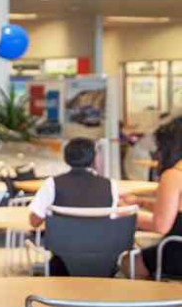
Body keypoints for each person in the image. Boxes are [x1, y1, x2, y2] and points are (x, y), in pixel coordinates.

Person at [28, 137, 119, 275]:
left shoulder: (52, 183)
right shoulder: (110, 185)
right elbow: (111, 219)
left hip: (62, 260)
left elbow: (34, 221)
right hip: (102, 261)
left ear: (66, 158)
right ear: (94, 158)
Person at [125, 117, 182, 279]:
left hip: (176, 251)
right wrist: (139, 202)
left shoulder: (174, 176)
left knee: (127, 262)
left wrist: (130, 216)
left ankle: (158, 300)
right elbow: (176, 212)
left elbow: (161, 226)